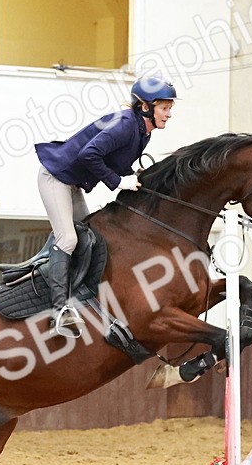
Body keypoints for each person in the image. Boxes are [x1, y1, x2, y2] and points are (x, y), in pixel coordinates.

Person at [34, 75, 177, 337]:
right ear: (146, 107)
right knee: (68, 239)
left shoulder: (143, 132)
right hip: (55, 177)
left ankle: (82, 297)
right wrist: (118, 182)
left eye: (170, 108)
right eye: (165, 108)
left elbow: (118, 164)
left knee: (91, 238)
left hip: (71, 183)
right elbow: (88, 154)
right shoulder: (125, 125)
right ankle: (59, 312)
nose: (169, 114)